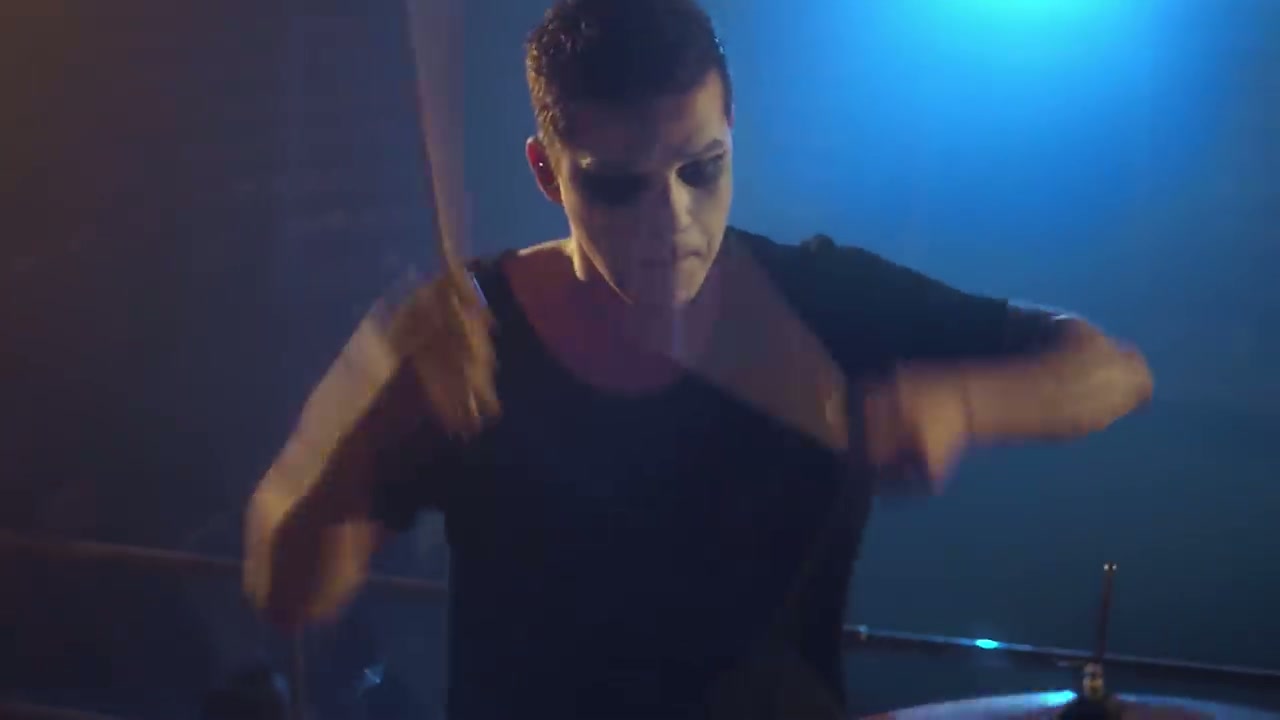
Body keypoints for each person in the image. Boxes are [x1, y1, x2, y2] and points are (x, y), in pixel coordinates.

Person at [242, 0, 1154, 718]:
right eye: (617, 186)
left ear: (732, 128)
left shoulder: (820, 300)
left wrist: (963, 403)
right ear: (546, 172)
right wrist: (370, 429)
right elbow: (287, 591)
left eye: (701, 168)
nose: (670, 221)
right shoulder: (469, 335)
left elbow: (1110, 370)